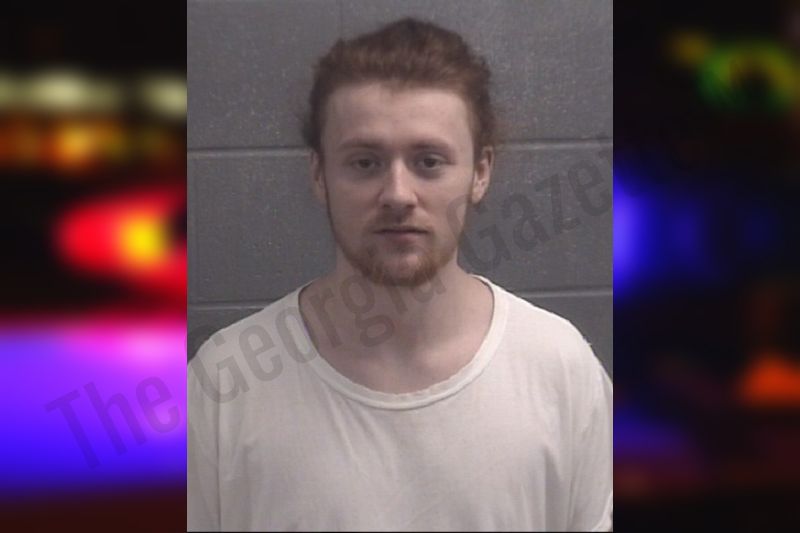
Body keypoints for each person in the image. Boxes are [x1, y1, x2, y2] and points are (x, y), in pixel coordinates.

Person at [188, 17, 612, 531]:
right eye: (365, 163)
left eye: (429, 161)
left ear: (480, 172)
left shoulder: (560, 369)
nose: (397, 194)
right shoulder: (223, 383)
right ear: (319, 174)